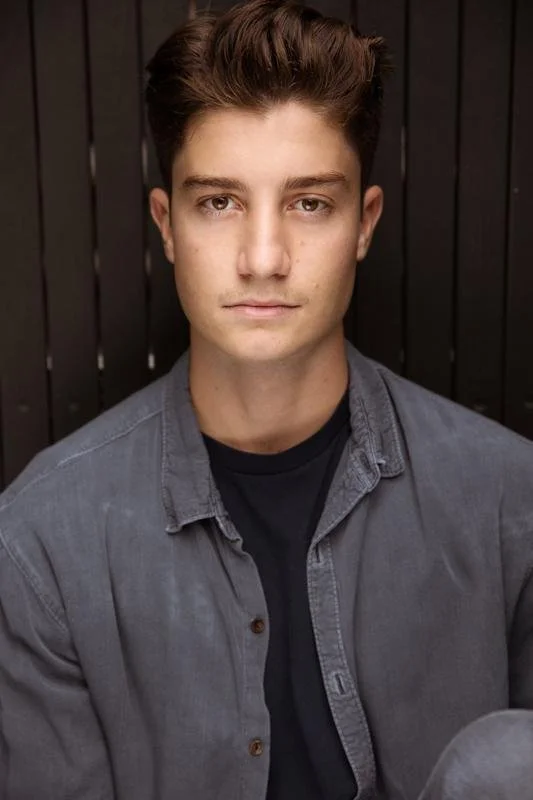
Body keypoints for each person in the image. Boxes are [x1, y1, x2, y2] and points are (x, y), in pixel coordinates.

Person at [0, 0, 532, 798]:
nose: (262, 257)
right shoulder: (42, 538)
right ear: (167, 224)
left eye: (308, 202)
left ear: (363, 221)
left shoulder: (510, 499)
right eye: (218, 201)